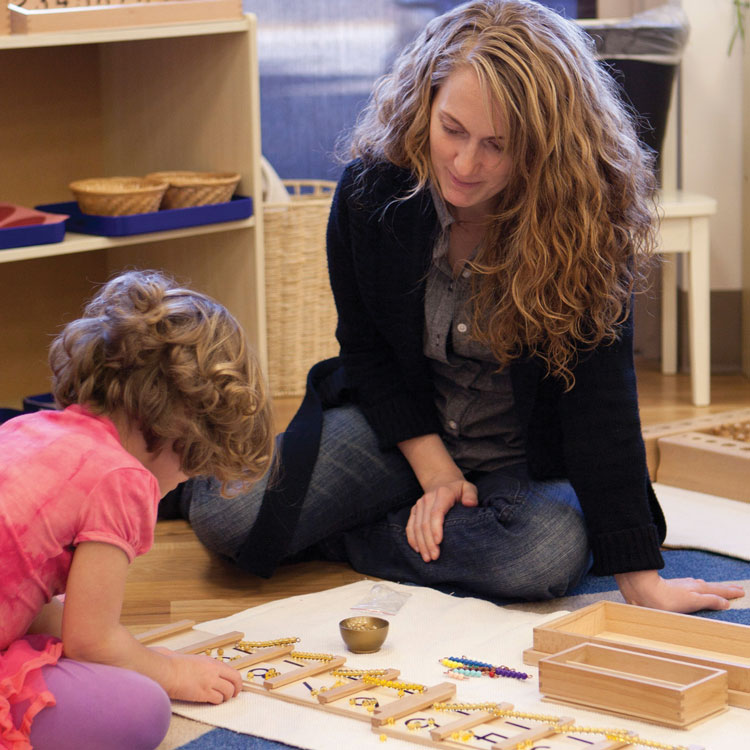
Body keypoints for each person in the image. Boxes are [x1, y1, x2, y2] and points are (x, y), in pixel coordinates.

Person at [178, 0, 743, 614]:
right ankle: (410, 520)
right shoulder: (373, 192)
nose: (466, 165)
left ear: (545, 147)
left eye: (497, 146)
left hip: (521, 464)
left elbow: (602, 406)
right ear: (426, 101)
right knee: (228, 516)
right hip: (399, 433)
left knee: (540, 554)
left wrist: (641, 582)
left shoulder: (587, 224)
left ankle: (351, 536)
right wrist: (436, 473)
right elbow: (366, 350)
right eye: (452, 130)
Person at [0, 270, 273, 750]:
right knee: (142, 706)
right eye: (191, 473)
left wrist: (122, 648)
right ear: (183, 435)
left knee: (69, 619)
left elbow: (24, 585)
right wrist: (168, 670)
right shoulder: (122, 478)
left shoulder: (29, 427)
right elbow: (91, 641)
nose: (175, 488)